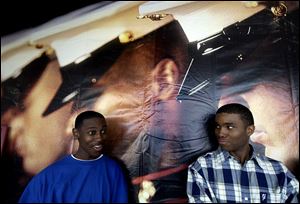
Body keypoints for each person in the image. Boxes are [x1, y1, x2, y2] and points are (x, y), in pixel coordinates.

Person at [187, 103, 299, 203]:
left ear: (249, 130)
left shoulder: (278, 170)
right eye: (218, 126)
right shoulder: (202, 168)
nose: (221, 133)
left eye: (229, 127)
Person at [18, 111, 128, 203]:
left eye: (103, 131)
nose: (99, 138)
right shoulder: (48, 177)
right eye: (92, 132)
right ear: (76, 133)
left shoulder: (113, 170)